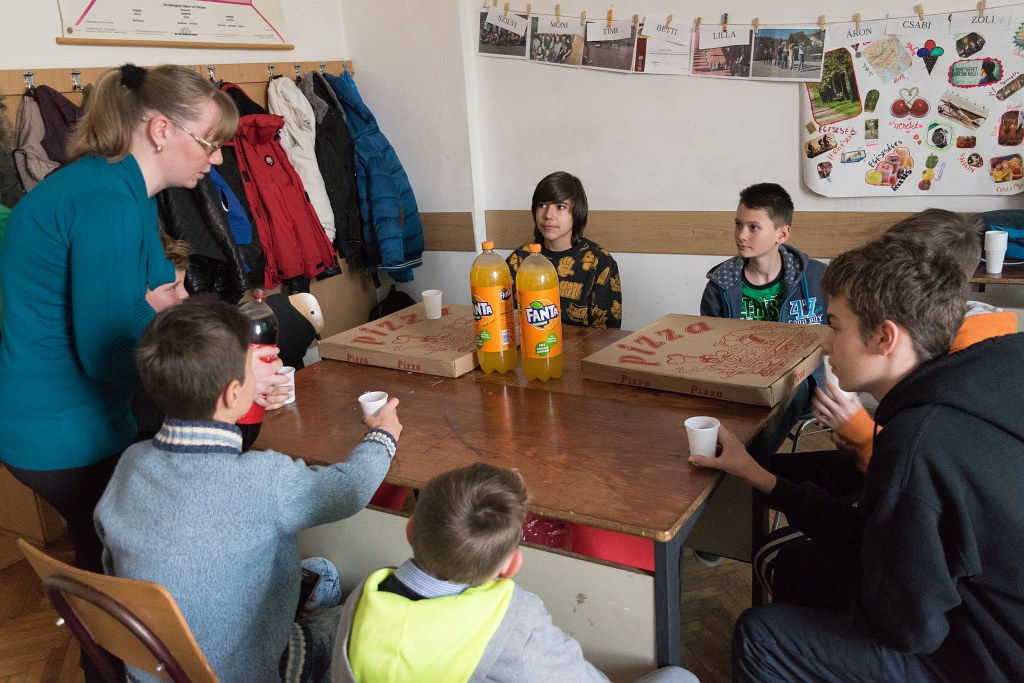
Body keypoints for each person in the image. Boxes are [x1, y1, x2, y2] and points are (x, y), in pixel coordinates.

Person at [691, 234, 1024, 682]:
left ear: (885, 337)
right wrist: (756, 473)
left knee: (761, 635)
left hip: (989, 659)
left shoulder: (917, 447)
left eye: (834, 326)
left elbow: (909, 629)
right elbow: (881, 531)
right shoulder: (994, 368)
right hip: (990, 617)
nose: (826, 345)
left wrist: (852, 589)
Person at [0, 64, 287, 580]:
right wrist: (230, 381)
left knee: (111, 564)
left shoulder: (118, 186)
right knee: (120, 572)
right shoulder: (104, 200)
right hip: (62, 429)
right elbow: (106, 350)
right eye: (210, 143)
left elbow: (141, 310)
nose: (217, 158)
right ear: (161, 130)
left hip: (77, 415)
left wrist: (233, 363)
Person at [95, 302, 403, 683]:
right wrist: (383, 436)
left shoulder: (131, 463)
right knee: (361, 613)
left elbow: (114, 556)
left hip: (153, 667)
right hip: (247, 672)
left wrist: (245, 396)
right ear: (232, 393)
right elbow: (351, 489)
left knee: (321, 571)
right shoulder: (263, 479)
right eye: (250, 368)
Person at [331, 462, 696, 683]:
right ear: (510, 567)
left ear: (410, 529)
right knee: (680, 676)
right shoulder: (516, 626)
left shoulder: (365, 596)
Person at [700, 182, 827, 458]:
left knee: (794, 384)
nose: (741, 235)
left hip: (800, 385)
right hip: (740, 384)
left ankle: (750, 462)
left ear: (782, 233)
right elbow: (712, 350)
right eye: (738, 224)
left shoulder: (818, 278)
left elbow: (844, 333)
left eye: (753, 227)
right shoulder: (720, 286)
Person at [506, 171, 622, 328]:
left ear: (577, 212)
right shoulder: (520, 259)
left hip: (582, 344)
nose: (548, 215)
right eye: (542, 205)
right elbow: (504, 319)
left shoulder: (600, 262)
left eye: (560, 206)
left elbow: (607, 334)